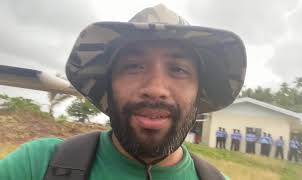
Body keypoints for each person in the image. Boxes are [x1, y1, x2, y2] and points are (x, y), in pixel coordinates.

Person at [0, 4, 246, 180]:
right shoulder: (37, 166)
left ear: (198, 92)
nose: (155, 89)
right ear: (109, 85)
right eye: (134, 67)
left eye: (178, 69)